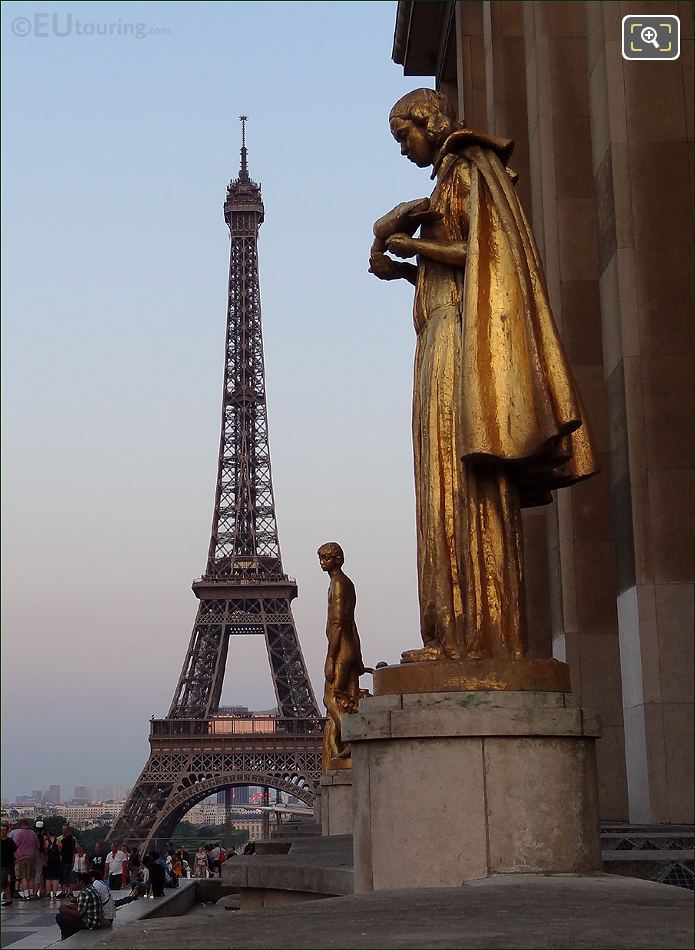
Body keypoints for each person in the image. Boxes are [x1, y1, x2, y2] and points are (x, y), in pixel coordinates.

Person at [370, 88, 596, 663]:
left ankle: (477, 637)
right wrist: (402, 263)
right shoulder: (449, 178)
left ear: (430, 122)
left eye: (404, 136)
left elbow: (482, 253)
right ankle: (450, 633)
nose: (403, 150)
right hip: (441, 336)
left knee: (458, 478)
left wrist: (408, 242)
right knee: (443, 482)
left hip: (458, 341)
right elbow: (461, 263)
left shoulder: (471, 166)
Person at [317, 542, 368, 769]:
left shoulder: (338, 584)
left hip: (339, 649)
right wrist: (358, 656)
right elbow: (352, 624)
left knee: (331, 699)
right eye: (320, 558)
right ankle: (341, 747)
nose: (321, 562)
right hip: (348, 647)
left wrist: (330, 657)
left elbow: (338, 623)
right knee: (344, 698)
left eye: (325, 558)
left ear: (336, 559)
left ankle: (349, 738)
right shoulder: (346, 583)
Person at [55, 872, 101, 940]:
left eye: (76, 882)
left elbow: (80, 914)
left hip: (90, 923)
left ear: (81, 882)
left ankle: (67, 934)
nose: (75, 884)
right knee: (67, 912)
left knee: (60, 917)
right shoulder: (92, 889)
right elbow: (84, 907)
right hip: (96, 921)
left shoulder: (84, 893)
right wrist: (70, 907)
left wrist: (66, 910)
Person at [13, 819, 39, 900]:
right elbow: (37, 846)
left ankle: (26, 895)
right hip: (31, 857)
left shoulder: (19, 834)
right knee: (31, 877)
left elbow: (14, 847)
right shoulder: (33, 834)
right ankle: (31, 894)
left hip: (22, 858)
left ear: (21, 825)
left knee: (24, 877)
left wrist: (17, 858)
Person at [1, 822, 17, 906]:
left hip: (6, 864)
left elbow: (15, 852)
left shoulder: (10, 841)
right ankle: (9, 899)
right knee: (5, 882)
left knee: (3, 881)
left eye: (3, 830)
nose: (2, 832)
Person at [58, 826, 76, 898]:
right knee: (70, 877)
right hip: (70, 860)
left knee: (64, 878)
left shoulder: (63, 840)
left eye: (63, 829)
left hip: (64, 860)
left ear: (66, 831)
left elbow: (60, 850)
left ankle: (63, 892)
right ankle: (71, 892)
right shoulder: (73, 840)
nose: (62, 831)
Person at [44, 831, 62, 901]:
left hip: (49, 862)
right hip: (56, 862)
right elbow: (60, 851)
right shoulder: (58, 841)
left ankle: (48, 892)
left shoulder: (46, 841)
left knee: (48, 878)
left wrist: (45, 860)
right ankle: (54, 893)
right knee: (55, 879)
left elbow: (45, 851)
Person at [33, 820, 46, 899]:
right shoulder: (41, 838)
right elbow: (41, 849)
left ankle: (37, 891)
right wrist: (43, 859)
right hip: (38, 855)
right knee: (38, 874)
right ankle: (36, 892)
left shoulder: (32, 835)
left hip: (30, 855)